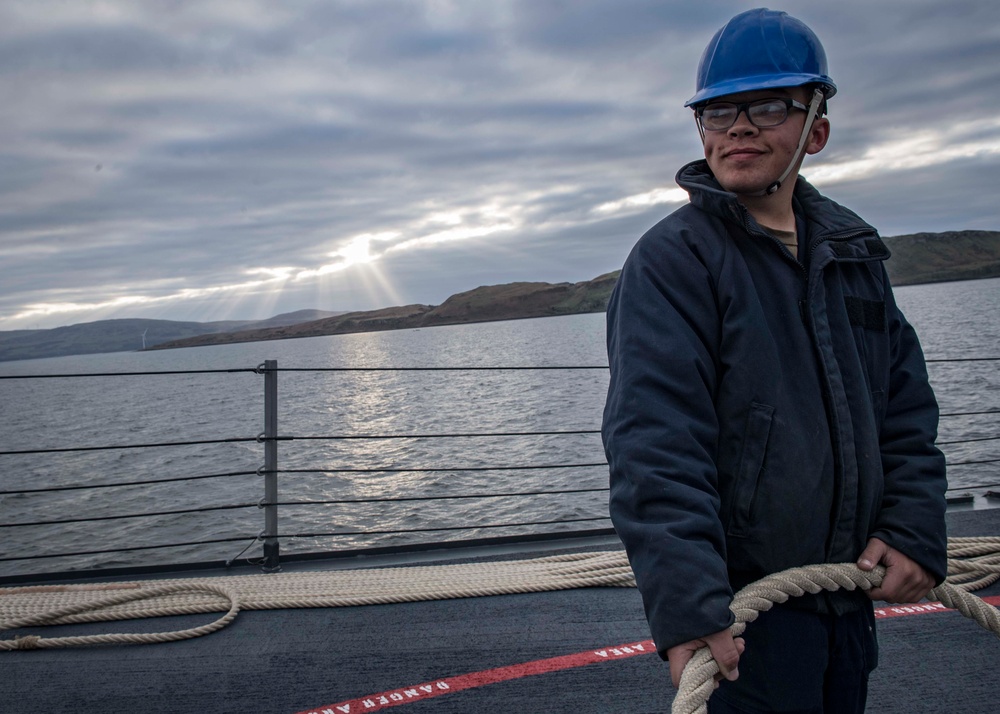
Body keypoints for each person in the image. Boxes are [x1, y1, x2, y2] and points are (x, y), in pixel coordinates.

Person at [601, 8, 948, 713]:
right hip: (740, 623)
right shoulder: (674, 263)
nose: (738, 126)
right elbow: (655, 444)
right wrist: (690, 607)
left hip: (845, 607)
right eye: (718, 110)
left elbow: (905, 410)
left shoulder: (854, 257)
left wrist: (912, 527)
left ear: (816, 129)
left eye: (767, 106)